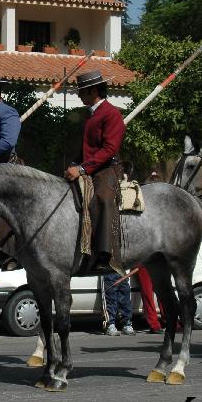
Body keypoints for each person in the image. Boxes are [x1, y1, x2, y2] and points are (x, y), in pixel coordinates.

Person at [64, 70, 126, 276]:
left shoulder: (112, 113)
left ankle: (104, 254)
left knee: (102, 198)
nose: (79, 95)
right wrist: (74, 162)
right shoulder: (91, 114)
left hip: (107, 169)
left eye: (82, 91)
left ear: (94, 91)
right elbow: (86, 149)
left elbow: (108, 149)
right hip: (90, 166)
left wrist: (82, 169)